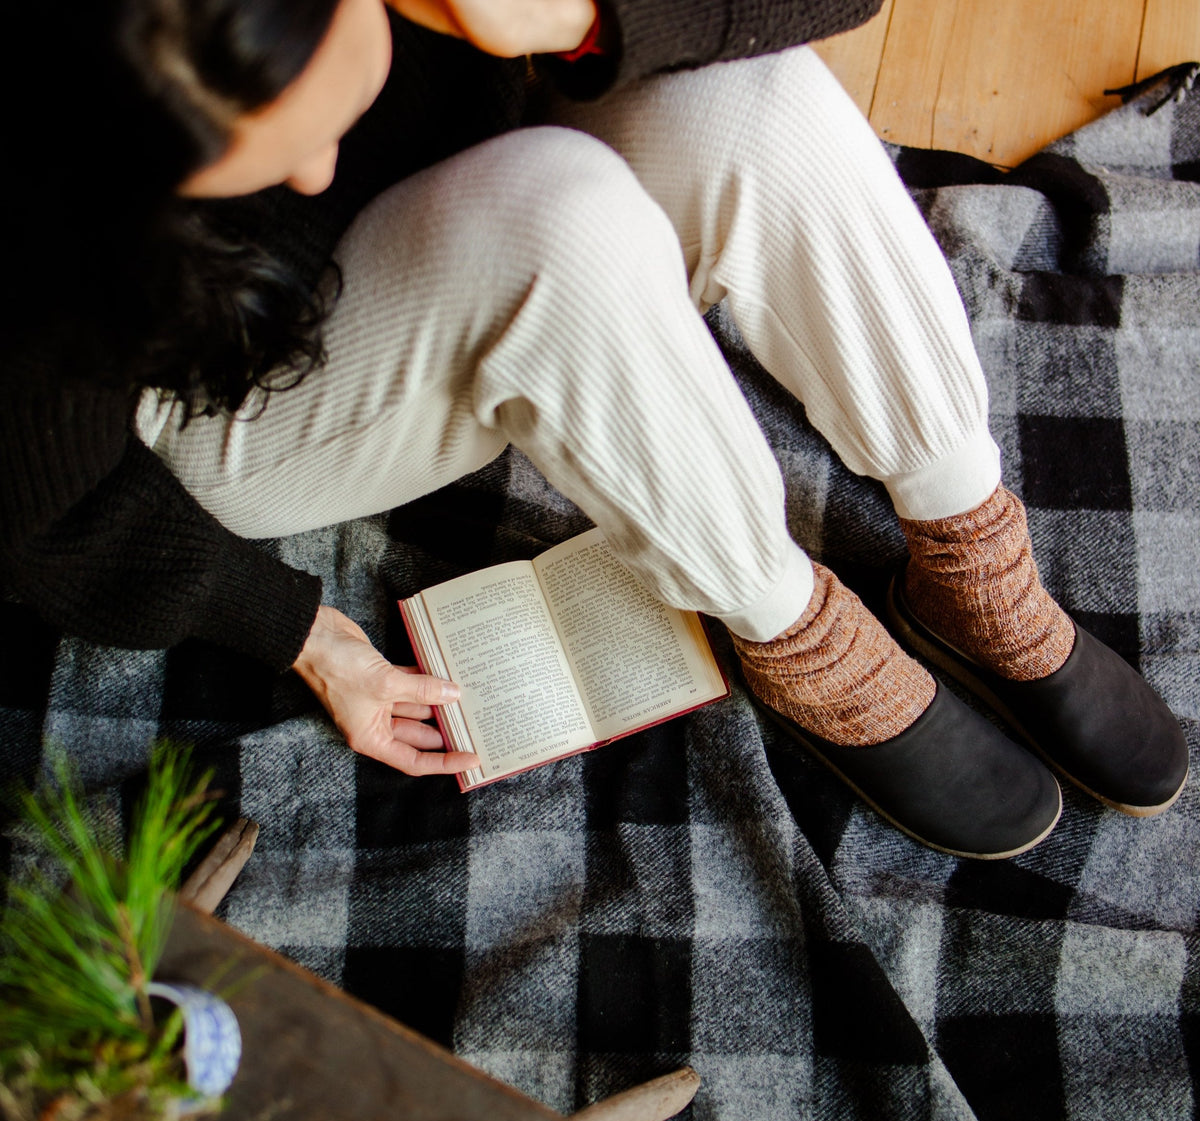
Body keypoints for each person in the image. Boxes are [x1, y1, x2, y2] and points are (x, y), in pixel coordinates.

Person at [2, 0, 1187, 860]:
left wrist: (575, 13)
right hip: (238, 380)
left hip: (479, 148)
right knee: (557, 219)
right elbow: (47, 522)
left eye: (328, 111)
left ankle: (971, 550)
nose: (310, 172)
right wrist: (301, 633)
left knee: (750, 96)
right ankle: (796, 633)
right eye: (259, 159)